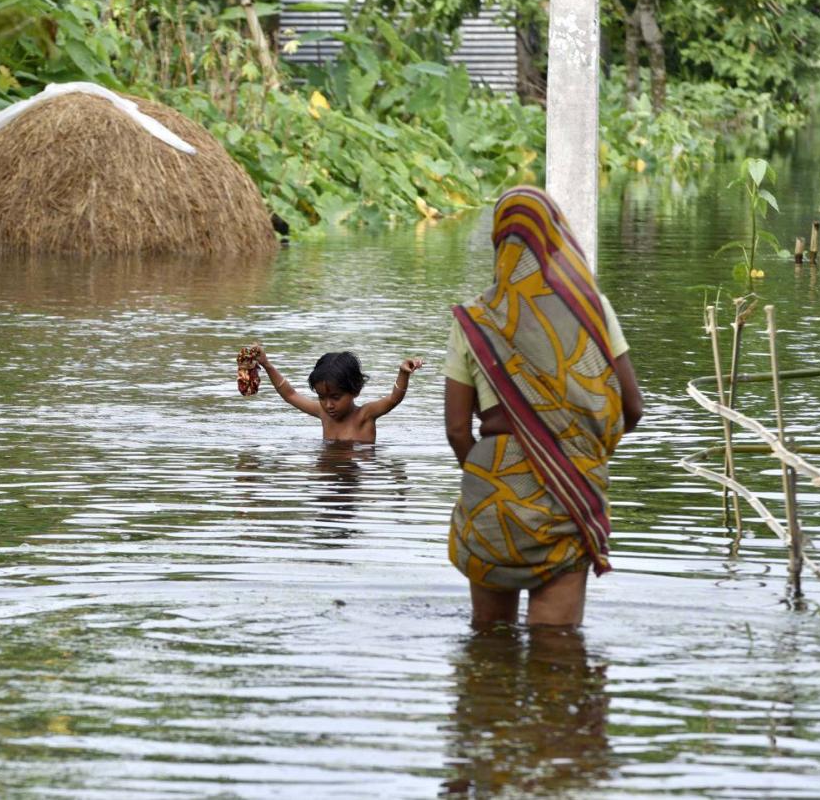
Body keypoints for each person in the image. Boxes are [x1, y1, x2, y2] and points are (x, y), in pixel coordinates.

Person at [443, 186, 643, 628]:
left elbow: (457, 430)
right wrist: (576, 455)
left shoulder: (476, 319)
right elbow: (633, 407)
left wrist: (491, 477)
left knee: (489, 646)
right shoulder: (594, 311)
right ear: (556, 237)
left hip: (493, 495)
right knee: (559, 655)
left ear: (499, 241)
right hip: (566, 494)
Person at [256, 347, 423, 442]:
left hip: (355, 474)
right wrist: (266, 364)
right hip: (328, 474)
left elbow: (394, 398)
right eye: (322, 397)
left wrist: (403, 373)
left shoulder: (365, 415)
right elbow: (290, 394)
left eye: (336, 397)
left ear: (355, 391)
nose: (328, 405)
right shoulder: (323, 414)